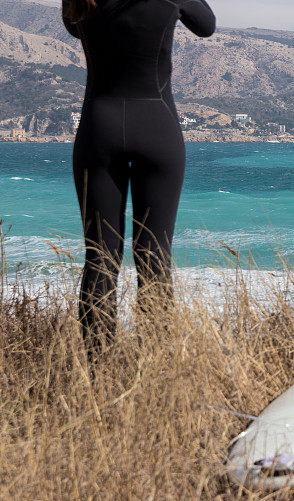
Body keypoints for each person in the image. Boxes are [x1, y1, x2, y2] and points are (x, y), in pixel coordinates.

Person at [62, 0, 215, 361]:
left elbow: (72, 26)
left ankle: (100, 375)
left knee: (100, 258)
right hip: (157, 126)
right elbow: (206, 24)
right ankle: (157, 371)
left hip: (100, 127)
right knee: (154, 257)